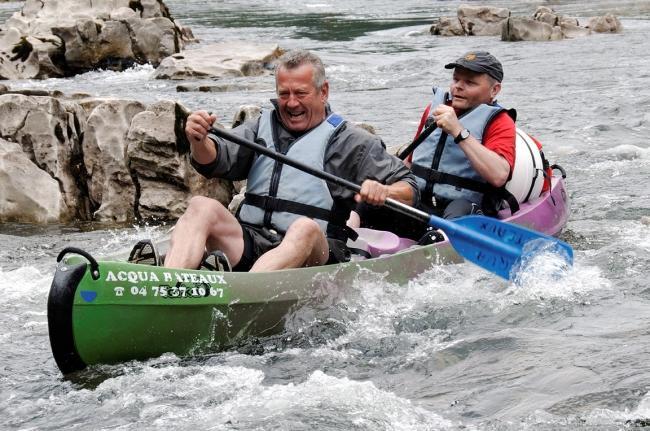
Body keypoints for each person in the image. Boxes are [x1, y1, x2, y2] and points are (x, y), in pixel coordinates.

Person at [162, 49, 418, 272]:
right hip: (252, 239)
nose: (291, 103)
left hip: (316, 253)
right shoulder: (260, 127)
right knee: (200, 206)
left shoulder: (353, 142)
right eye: (284, 94)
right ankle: (166, 286)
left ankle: (243, 295)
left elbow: (409, 188)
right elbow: (215, 159)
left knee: (304, 228)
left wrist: (385, 190)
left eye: (301, 93)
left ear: (323, 91)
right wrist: (198, 140)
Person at [358, 51, 517, 241]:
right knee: (367, 204)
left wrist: (458, 131)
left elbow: (499, 175)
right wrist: (387, 190)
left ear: (494, 90)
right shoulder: (435, 109)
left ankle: (436, 243)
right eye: (456, 79)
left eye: (470, 82)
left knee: (458, 208)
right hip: (421, 205)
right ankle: (346, 244)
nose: (458, 86)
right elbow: (411, 162)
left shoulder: (500, 121)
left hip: (465, 209)